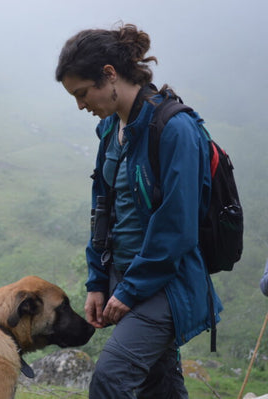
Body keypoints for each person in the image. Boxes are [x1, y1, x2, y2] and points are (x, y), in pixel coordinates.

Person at [55, 24, 223, 398]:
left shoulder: (175, 128)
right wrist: (98, 280)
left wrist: (130, 291)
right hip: (123, 277)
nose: (81, 105)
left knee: (110, 379)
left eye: (83, 93)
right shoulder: (110, 128)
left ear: (110, 74)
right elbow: (103, 209)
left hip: (166, 284)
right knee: (157, 387)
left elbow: (176, 228)